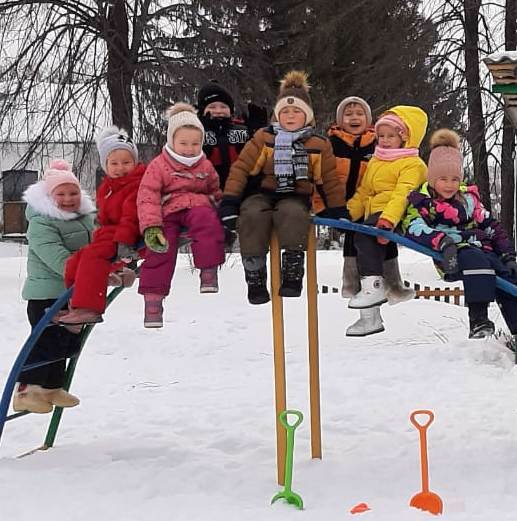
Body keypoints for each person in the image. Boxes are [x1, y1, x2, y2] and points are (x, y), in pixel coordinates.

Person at [219, 70, 347, 305]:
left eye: (296, 111)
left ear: (307, 116)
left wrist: (337, 209)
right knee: (253, 213)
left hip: (296, 195)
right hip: (264, 192)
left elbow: (328, 179)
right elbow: (242, 169)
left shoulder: (318, 144)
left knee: (293, 214)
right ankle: (255, 274)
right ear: (277, 115)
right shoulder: (264, 138)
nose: (290, 116)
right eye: (285, 111)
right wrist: (230, 200)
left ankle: (292, 270)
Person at [403, 129, 517, 339]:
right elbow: (413, 227)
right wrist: (442, 241)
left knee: (509, 278)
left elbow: (491, 225)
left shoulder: (469, 200)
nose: (450, 184)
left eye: (455, 179)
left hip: (482, 249)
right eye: (443, 179)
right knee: (476, 260)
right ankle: (478, 319)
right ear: (432, 178)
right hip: (453, 253)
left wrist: (507, 254)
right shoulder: (424, 202)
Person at [315, 96, 414, 335]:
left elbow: (397, 188)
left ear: (368, 120)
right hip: (346, 207)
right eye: (348, 114)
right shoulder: (331, 144)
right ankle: (368, 315)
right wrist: (324, 208)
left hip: (375, 209)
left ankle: (391, 287)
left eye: (359, 113)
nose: (354, 118)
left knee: (376, 248)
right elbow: (320, 178)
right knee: (355, 254)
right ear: (340, 120)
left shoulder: (378, 148)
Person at [13, 159, 95, 413]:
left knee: (66, 343)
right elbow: (53, 254)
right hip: (46, 294)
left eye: (73, 193)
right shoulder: (41, 221)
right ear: (49, 196)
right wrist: (83, 272)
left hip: (72, 292)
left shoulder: (82, 218)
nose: (68, 198)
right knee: (46, 341)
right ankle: (26, 391)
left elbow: (95, 245)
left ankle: (51, 387)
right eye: (61, 193)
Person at [137, 103, 225, 328]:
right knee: (161, 246)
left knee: (207, 223)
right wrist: (151, 226)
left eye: (195, 143)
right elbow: (148, 196)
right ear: (172, 141)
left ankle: (208, 270)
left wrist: (226, 212)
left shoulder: (204, 164)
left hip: (198, 207)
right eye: (184, 143)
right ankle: (153, 300)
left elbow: (215, 190)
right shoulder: (159, 165)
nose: (189, 148)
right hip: (168, 212)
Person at [346, 105, 428, 335]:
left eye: (391, 136)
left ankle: (375, 288)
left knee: (365, 237)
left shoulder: (413, 164)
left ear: (405, 137)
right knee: (359, 248)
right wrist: (348, 213)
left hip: (399, 215)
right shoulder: (377, 160)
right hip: (375, 213)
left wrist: (388, 220)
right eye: (381, 136)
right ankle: (370, 318)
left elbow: (403, 193)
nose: (384, 140)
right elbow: (364, 192)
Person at [59, 126, 145, 326]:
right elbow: (104, 221)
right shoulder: (108, 187)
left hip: (127, 236)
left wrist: (124, 243)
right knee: (75, 261)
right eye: (113, 163)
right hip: (110, 235)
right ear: (105, 165)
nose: (120, 167)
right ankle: (73, 306)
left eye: (126, 162)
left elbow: (131, 217)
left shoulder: (137, 184)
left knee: (93, 256)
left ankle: (88, 308)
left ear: (135, 162)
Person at [197, 81, 250, 191]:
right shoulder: (196, 132)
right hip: (207, 190)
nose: (218, 111)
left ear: (231, 110)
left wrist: (256, 132)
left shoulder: (242, 130)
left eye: (223, 106)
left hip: (241, 188)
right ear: (203, 111)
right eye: (212, 107)